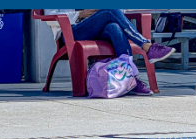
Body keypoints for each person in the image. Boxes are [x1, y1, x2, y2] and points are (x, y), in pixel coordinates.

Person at [45, 9, 177, 95]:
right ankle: (147, 46)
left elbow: (122, 11)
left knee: (114, 27)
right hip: (72, 30)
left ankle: (129, 78)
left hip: (97, 26)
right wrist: (80, 14)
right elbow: (49, 15)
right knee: (110, 11)